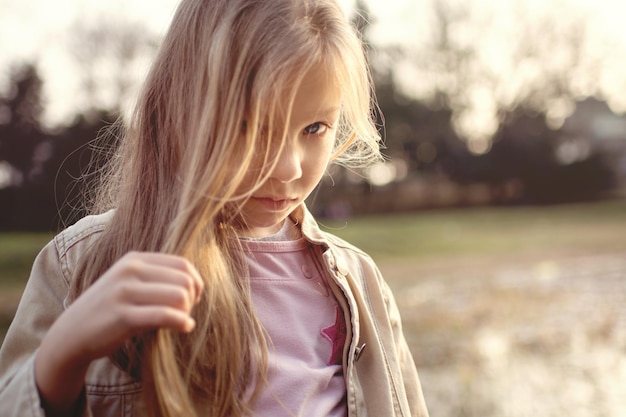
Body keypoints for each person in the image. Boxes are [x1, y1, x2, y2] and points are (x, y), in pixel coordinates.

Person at [0, 0, 429, 416]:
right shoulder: (82, 264)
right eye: (252, 127)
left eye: (314, 128)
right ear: (180, 112)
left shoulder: (363, 285)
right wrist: (60, 357)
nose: (287, 167)